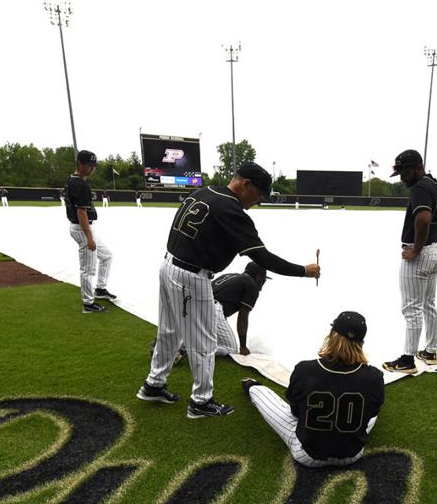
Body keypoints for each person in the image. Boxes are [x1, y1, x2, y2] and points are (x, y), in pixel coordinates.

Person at [137, 161, 320, 419]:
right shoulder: (232, 209)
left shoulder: (204, 191)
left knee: (168, 331)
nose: (258, 202)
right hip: (191, 275)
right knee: (203, 342)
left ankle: (154, 384)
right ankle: (201, 401)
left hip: (168, 265)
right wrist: (304, 270)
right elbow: (263, 258)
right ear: (246, 185)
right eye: (259, 195)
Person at [241, 311, 385, 467]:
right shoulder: (375, 376)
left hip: (307, 456)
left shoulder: (305, 369)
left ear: (332, 334)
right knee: (368, 410)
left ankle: (252, 386)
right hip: (353, 454)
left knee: (265, 396)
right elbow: (373, 413)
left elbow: (295, 411)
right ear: (361, 342)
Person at [382, 149, 437, 374]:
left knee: (411, 308)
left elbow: (423, 218)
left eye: (405, 172)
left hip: (419, 254)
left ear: (418, 168)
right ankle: (430, 352)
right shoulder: (433, 183)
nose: (402, 178)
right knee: (429, 304)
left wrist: (417, 249)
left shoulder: (419, 186)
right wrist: (433, 240)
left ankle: (407, 360)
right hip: (433, 252)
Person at [65, 150, 115, 313]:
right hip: (82, 228)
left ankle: (100, 288)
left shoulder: (73, 180)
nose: (92, 169)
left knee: (106, 256)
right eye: (89, 166)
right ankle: (88, 303)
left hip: (84, 227)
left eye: (93, 166)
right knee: (88, 268)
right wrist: (89, 238)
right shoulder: (80, 184)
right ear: (80, 163)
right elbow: (81, 212)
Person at [212, 261, 267, 355]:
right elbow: (243, 317)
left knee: (211, 338)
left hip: (195, 303)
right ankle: (194, 348)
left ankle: (186, 344)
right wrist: (243, 346)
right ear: (258, 277)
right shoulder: (252, 285)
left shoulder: (230, 275)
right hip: (213, 308)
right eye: (264, 279)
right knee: (231, 348)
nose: (264, 282)